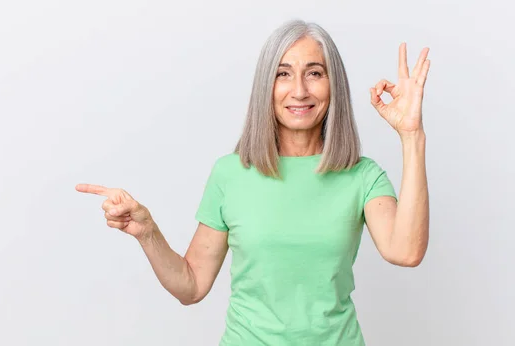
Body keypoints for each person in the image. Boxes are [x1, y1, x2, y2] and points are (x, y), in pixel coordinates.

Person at [75, 19, 430, 346]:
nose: (299, 90)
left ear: (333, 84)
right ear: (266, 85)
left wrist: (412, 136)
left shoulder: (361, 175)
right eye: (283, 74)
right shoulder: (231, 173)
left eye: (315, 73)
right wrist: (148, 231)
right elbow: (192, 285)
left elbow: (406, 251)